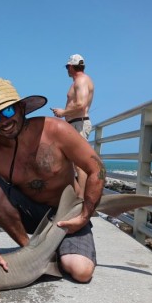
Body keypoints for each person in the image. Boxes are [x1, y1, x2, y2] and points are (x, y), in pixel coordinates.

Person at [0, 77, 105, 289]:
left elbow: (96, 169)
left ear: (21, 107)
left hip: (67, 212)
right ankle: (31, 251)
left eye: (8, 112)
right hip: (33, 216)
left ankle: (62, 247)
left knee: (80, 271)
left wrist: (85, 214)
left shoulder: (56, 130)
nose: (3, 121)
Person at [51, 54, 94, 196]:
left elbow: (81, 105)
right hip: (74, 124)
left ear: (71, 66)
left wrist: (63, 112)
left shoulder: (81, 81)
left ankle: (80, 199)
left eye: (67, 67)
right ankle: (76, 194)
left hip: (78, 124)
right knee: (68, 162)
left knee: (79, 163)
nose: (67, 70)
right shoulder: (80, 80)